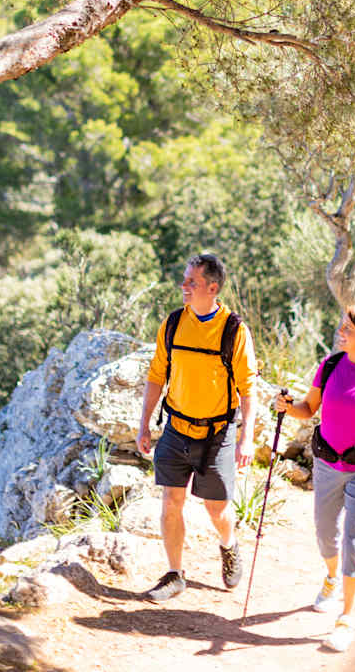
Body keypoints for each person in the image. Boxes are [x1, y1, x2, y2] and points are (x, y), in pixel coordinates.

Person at [275, 302, 355, 653]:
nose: (341, 331)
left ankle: (346, 618)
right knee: (325, 534)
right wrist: (289, 408)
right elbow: (308, 409)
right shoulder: (330, 365)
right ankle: (332, 578)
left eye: (348, 328)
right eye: (342, 326)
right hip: (327, 465)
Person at [137, 253, 257, 602]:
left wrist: (246, 439)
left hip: (217, 434)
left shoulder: (234, 330)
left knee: (215, 508)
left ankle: (229, 545)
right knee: (171, 502)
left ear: (212, 287)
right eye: (184, 280)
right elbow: (157, 375)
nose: (183, 287)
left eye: (191, 282)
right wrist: (144, 424)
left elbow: (248, 389)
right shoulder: (173, 323)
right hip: (175, 428)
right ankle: (175, 574)